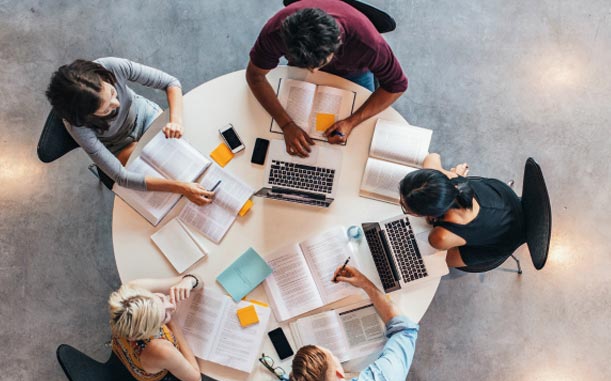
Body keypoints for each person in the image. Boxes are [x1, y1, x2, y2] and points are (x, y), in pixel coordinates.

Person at [246, 0, 408, 157]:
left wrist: (351, 122)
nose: (313, 72)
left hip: (354, 73)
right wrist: (286, 124)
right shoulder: (274, 32)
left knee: (359, 139)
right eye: (307, 65)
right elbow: (255, 76)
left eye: (319, 63)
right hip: (300, 70)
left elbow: (397, 86)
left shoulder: (369, 44)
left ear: (338, 42)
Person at [45, 57, 213, 205]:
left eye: (112, 92)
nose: (117, 104)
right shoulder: (77, 126)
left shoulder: (111, 66)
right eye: (106, 109)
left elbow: (171, 83)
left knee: (188, 151)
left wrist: (175, 121)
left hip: (145, 116)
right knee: (161, 178)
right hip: (117, 145)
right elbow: (121, 177)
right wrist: (181, 188)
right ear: (87, 117)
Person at [274, 265, 427, 381]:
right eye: (332, 356)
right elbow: (405, 329)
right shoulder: (384, 379)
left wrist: (291, 379)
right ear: (340, 373)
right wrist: (365, 283)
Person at [399, 153, 526, 268]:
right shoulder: (452, 179)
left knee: (436, 263)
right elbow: (432, 157)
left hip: (504, 241)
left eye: (405, 209)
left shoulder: (440, 237)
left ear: (428, 214)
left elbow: (443, 254)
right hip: (506, 200)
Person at [108, 275, 203, 381]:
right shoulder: (162, 350)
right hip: (152, 374)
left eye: (161, 298)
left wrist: (189, 281)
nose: (171, 306)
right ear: (151, 331)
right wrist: (173, 322)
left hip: (122, 346)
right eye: (164, 317)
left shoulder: (134, 289)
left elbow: (196, 281)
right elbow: (195, 380)